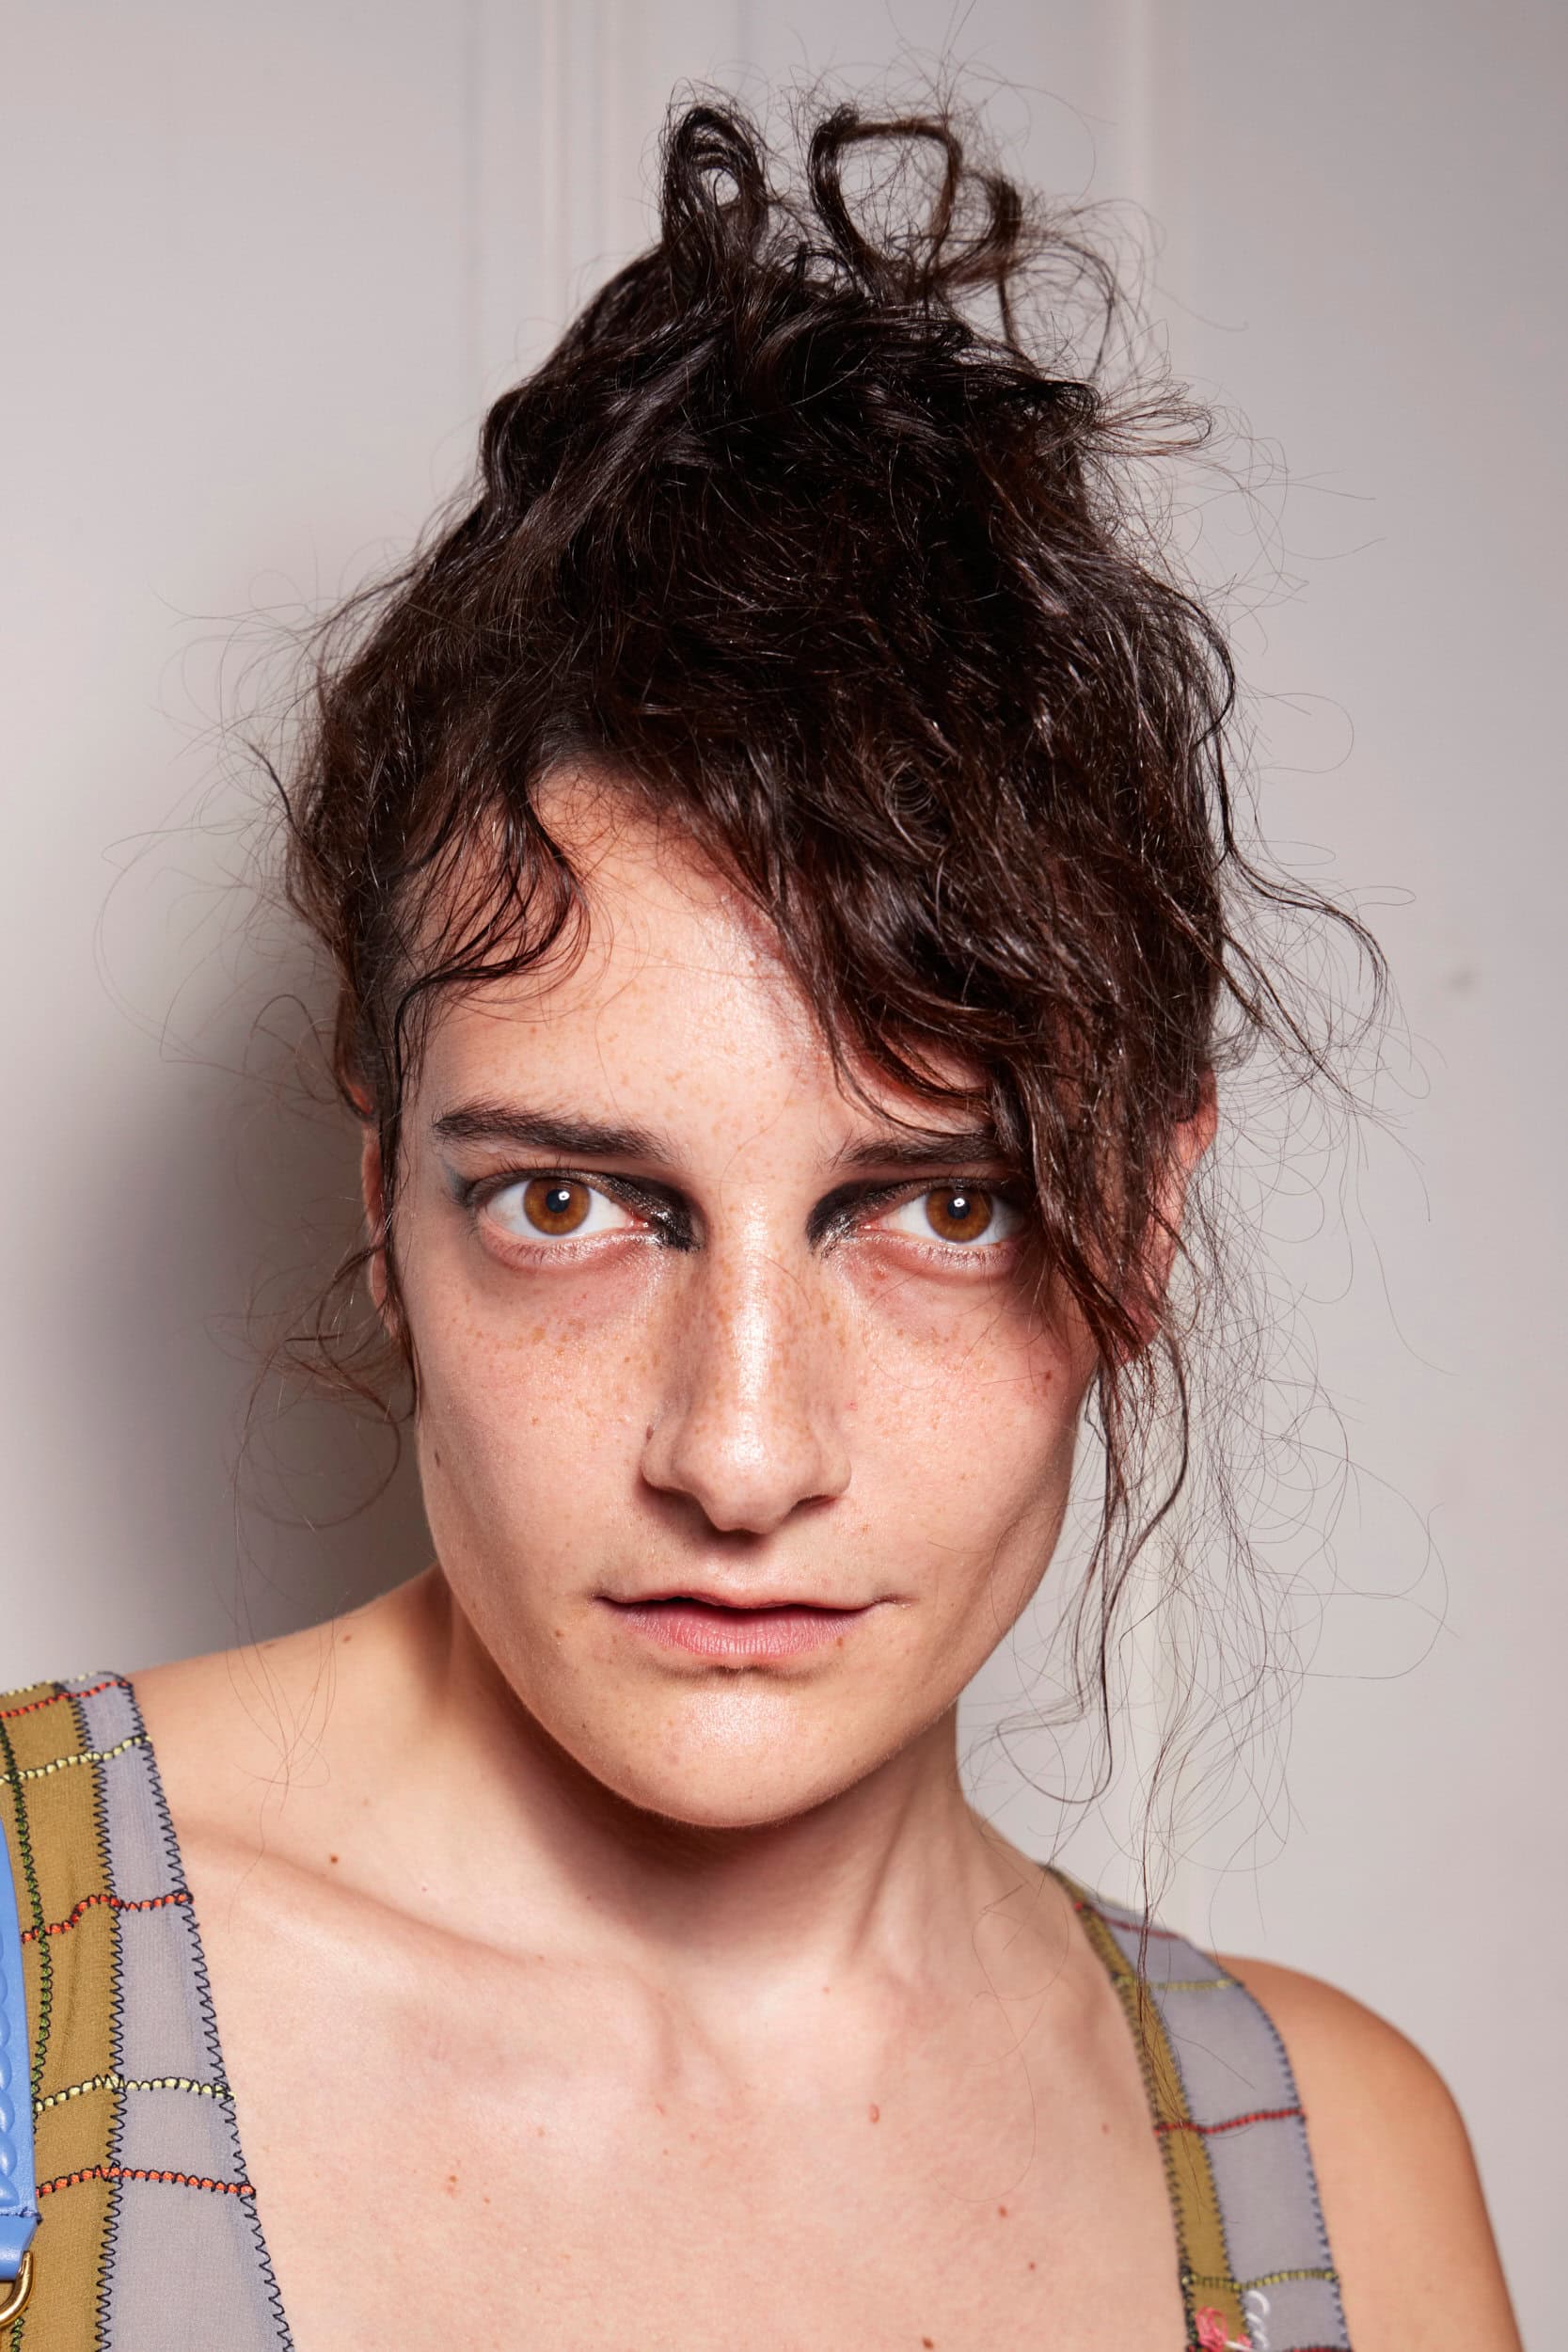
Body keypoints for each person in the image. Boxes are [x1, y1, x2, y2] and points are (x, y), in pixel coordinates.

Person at [0, 94, 1520, 2352]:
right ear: (381, 1193)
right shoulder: (30, 1993)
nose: (736, 1451)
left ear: (1145, 1217)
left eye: (938, 1206)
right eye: (569, 1200)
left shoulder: (1342, 2183)